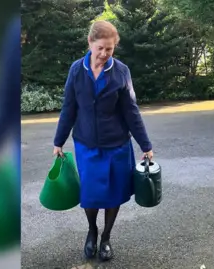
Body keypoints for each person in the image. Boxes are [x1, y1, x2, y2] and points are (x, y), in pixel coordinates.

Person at [52, 20, 154, 261]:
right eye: (100, 48)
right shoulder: (77, 70)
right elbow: (69, 108)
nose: (105, 54)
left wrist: (146, 145)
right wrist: (59, 141)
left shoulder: (121, 71)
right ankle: (92, 230)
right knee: (90, 194)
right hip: (86, 144)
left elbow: (131, 111)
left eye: (110, 49)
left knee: (114, 193)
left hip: (117, 144)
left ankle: (106, 237)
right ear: (90, 43)